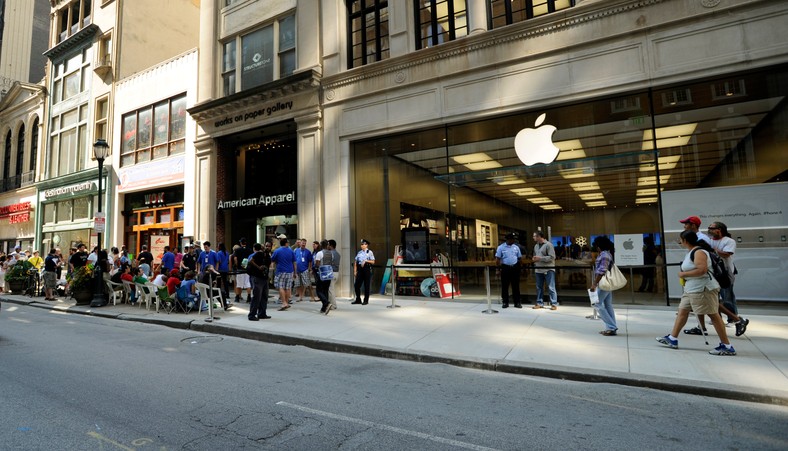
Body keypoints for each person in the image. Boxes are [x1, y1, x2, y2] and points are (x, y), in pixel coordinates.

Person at [656, 230, 736, 355]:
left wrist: (683, 274)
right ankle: (672, 338)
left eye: (680, 239)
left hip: (703, 289)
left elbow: (702, 270)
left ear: (685, 240)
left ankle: (727, 346)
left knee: (713, 315)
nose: (680, 242)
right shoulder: (692, 251)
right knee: (682, 311)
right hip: (692, 289)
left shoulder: (699, 252)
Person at [683, 223, 749, 337]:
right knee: (707, 301)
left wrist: (711, 249)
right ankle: (703, 327)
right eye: (709, 228)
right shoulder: (708, 240)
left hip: (724, 273)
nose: (709, 230)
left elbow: (726, 254)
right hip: (713, 274)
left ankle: (734, 319)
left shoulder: (728, 241)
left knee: (726, 298)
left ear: (720, 230)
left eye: (712, 228)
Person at [590, 236, 618, 336]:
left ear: (599, 246)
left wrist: (594, 284)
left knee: (596, 304)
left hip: (604, 283)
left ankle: (611, 326)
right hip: (606, 283)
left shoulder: (605, 255)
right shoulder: (605, 254)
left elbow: (602, 270)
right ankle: (611, 328)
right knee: (608, 305)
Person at [495, 232, 523, 308]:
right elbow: (497, 259)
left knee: (516, 286)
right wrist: (497, 269)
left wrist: (521, 268)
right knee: (505, 286)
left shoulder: (516, 247)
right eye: (512, 239)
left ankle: (517, 302)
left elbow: (519, 258)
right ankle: (505, 302)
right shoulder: (501, 247)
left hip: (515, 267)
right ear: (508, 239)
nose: (513, 240)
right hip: (505, 268)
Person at [532, 231, 558, 310]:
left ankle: (554, 304)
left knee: (551, 287)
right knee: (539, 287)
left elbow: (552, 257)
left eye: (534, 236)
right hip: (538, 269)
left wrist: (540, 258)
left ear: (539, 236)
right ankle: (539, 303)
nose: (533, 238)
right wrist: (534, 259)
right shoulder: (536, 246)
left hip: (548, 269)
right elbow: (535, 256)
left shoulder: (549, 245)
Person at [246, 241, 272, 320]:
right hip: (257, 277)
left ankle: (262, 313)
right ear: (263, 247)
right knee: (256, 296)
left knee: (264, 296)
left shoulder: (268, 256)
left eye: (269, 246)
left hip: (264, 278)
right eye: (266, 246)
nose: (268, 247)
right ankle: (252, 315)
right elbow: (251, 261)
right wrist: (259, 267)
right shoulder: (259, 254)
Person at [271, 238, 297, 310]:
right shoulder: (291, 251)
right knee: (288, 287)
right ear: (286, 243)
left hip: (280, 271)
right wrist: (295, 272)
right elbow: (294, 263)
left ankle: (284, 303)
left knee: (281, 287)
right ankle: (286, 302)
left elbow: (272, 260)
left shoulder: (277, 251)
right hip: (290, 271)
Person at [352, 239, 375, 305]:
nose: (362, 245)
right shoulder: (359, 252)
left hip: (366, 269)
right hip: (360, 269)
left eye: (363, 244)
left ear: (366, 245)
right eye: (361, 244)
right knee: (356, 285)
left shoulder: (369, 252)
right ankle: (358, 299)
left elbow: (373, 261)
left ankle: (366, 300)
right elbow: (356, 262)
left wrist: (366, 261)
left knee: (366, 285)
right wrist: (355, 271)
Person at [313, 240, 333, 314]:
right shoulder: (331, 253)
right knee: (325, 290)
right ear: (327, 245)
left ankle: (327, 303)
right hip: (329, 273)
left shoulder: (319, 253)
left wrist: (315, 267)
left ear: (321, 245)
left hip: (322, 273)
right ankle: (324, 308)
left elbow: (317, 264)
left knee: (319, 291)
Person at [232, 238, 253, 303]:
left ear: (241, 243)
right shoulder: (249, 250)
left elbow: (235, 259)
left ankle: (237, 297)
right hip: (247, 269)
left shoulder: (237, 250)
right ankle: (249, 296)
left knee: (239, 283)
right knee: (247, 283)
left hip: (239, 269)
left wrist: (236, 265)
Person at [293, 238, 314, 302]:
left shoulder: (308, 251)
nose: (303, 244)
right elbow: (294, 260)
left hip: (305, 270)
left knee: (308, 284)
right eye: (302, 243)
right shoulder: (296, 250)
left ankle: (312, 297)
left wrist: (310, 268)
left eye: (305, 243)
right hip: (297, 270)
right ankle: (300, 296)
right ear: (300, 243)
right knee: (298, 284)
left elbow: (310, 261)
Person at [327, 239, 341, 310]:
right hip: (336, 273)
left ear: (331, 245)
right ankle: (331, 304)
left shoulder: (330, 253)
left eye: (328, 244)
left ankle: (333, 305)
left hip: (331, 272)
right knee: (331, 289)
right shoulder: (337, 253)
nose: (327, 246)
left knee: (330, 289)